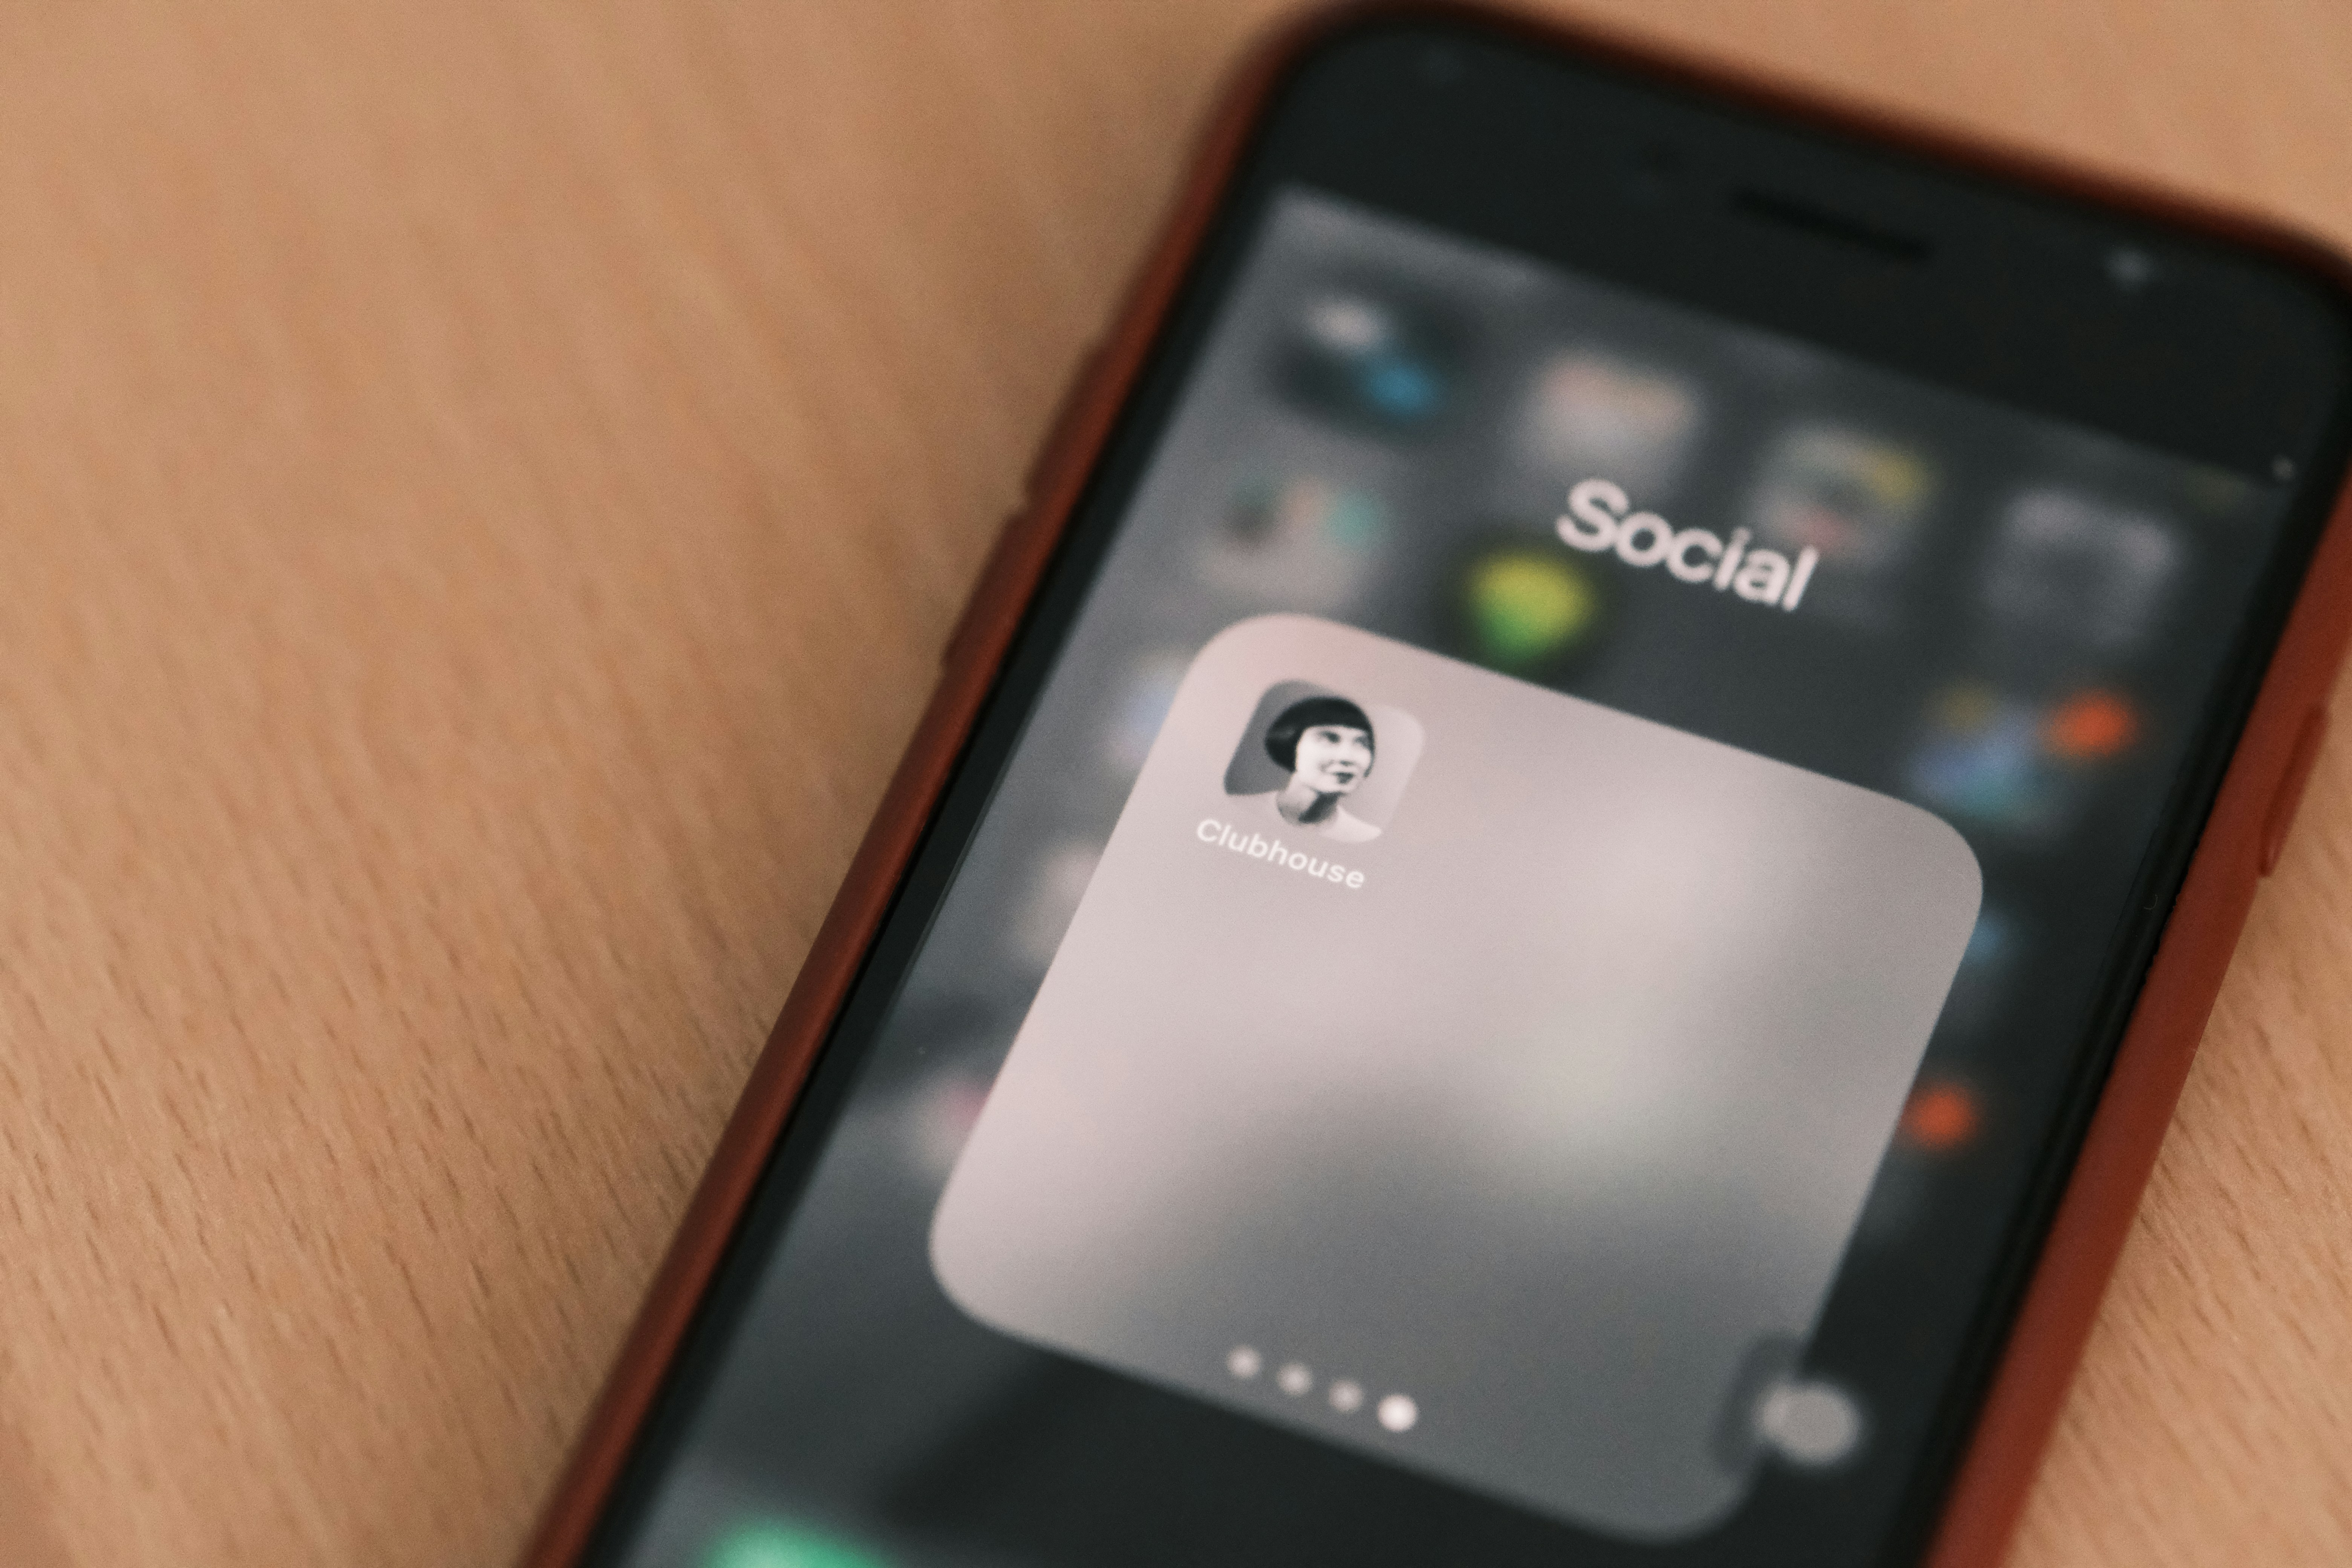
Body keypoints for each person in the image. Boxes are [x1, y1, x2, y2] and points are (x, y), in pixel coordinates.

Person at [1251, 695, 1381, 842]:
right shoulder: (1241, 811)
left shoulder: (1364, 838)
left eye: (1362, 744)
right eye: (1329, 739)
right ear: (1293, 745)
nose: (1347, 757)